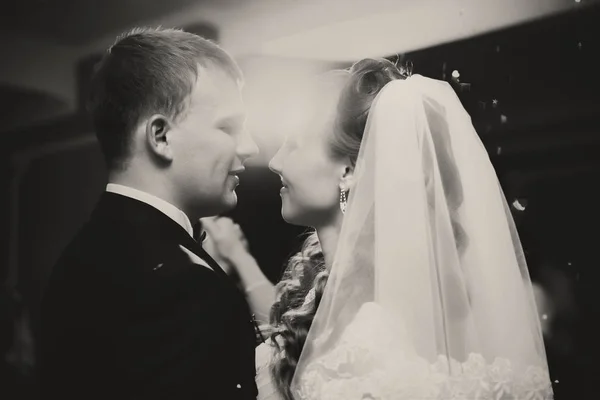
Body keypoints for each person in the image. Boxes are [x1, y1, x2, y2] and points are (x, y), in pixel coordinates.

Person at [209, 58, 553, 399]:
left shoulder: (376, 320)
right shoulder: (333, 286)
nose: (274, 161)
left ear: (348, 171)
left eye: (294, 144)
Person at [38, 27, 259, 400]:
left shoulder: (83, 255)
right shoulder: (178, 285)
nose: (251, 146)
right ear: (160, 136)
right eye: (229, 127)